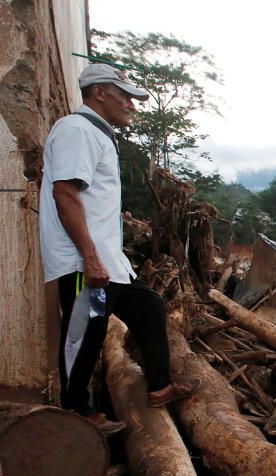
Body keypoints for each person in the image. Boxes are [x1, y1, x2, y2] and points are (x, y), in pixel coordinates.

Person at [39, 63, 199, 434]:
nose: (131, 104)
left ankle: (159, 385)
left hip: (107, 260)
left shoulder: (97, 133)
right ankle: (77, 413)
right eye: (124, 95)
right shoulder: (76, 130)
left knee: (148, 306)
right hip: (84, 261)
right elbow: (65, 193)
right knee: (84, 332)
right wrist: (90, 258)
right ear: (99, 93)